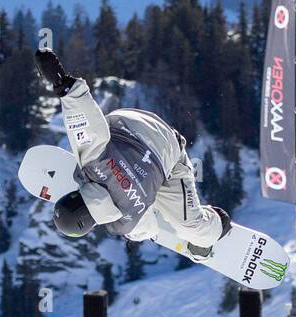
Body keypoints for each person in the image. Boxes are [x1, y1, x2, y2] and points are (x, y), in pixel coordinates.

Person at [35, 49, 231, 259]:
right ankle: (154, 196)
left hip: (169, 157)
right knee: (97, 142)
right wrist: (62, 83)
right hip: (134, 123)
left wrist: (133, 229)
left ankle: (218, 225)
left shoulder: (127, 223)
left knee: (195, 230)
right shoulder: (92, 163)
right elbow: (83, 123)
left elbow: (149, 231)